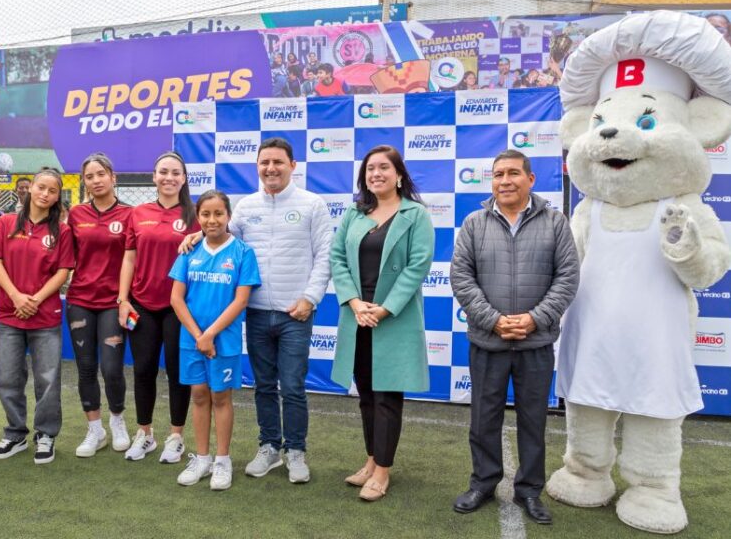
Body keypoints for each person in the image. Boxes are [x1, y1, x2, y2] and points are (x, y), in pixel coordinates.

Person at [180, 137, 332, 483]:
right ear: (257, 167)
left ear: (292, 166)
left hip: (297, 313)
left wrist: (310, 298)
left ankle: (295, 450)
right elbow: (217, 237)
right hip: (258, 313)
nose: (271, 168)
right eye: (264, 162)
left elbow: (325, 255)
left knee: (292, 385)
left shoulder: (313, 204)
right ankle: (269, 448)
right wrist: (191, 237)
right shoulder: (246, 207)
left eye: (278, 162)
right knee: (263, 385)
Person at [450, 150, 579, 524]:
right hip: (488, 341)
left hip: (535, 344)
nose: (504, 180)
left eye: (512, 173)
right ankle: (483, 483)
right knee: (483, 419)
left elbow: (567, 277)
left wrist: (534, 319)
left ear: (531, 179)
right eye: (497, 174)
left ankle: (529, 491)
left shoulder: (556, 222)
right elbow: (462, 277)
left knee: (533, 420)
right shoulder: (474, 223)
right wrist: (493, 320)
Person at [330, 145, 434, 501]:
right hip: (357, 317)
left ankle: (384, 472)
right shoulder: (354, 213)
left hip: (393, 319)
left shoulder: (415, 214)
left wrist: (384, 309)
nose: (376, 174)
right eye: (370, 169)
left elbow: (417, 265)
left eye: (383, 168)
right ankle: (371, 460)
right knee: (366, 396)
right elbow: (337, 256)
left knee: (387, 396)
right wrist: (356, 303)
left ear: (399, 174)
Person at [170, 191, 261, 490]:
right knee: (198, 394)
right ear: (198, 218)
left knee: (221, 396)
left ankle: (223, 460)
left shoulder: (242, 253)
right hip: (192, 339)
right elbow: (176, 298)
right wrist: (199, 335)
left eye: (218, 213)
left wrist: (210, 335)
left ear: (228, 216)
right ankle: (202, 458)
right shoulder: (188, 251)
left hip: (224, 340)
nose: (212, 220)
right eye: (206, 214)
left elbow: (241, 300)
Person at [0, 167, 75, 464]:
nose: (45, 194)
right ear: (31, 188)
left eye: (52, 191)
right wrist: (16, 296)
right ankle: (15, 434)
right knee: (8, 378)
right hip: (7, 313)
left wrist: (35, 300)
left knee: (47, 379)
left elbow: (63, 271)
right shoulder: (6, 222)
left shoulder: (61, 230)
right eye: (41, 187)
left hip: (44, 315)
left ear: (56, 196)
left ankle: (46, 434)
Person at [117, 151, 199, 462]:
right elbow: (129, 258)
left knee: (178, 372)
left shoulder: (195, 215)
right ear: (153, 177)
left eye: (175, 172)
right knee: (143, 370)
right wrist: (123, 300)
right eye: (163, 171)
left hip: (179, 309)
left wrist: (201, 233)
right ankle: (145, 434)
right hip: (142, 304)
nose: (169, 177)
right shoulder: (138, 213)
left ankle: (176, 436)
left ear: (184, 178)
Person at [66, 153, 133, 457]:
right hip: (79, 300)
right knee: (85, 368)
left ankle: (117, 420)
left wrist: (125, 299)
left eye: (100, 174)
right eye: (89, 176)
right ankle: (95, 430)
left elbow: (134, 261)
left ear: (113, 177)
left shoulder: (130, 214)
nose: (95, 181)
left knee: (111, 368)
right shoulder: (76, 214)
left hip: (113, 303)